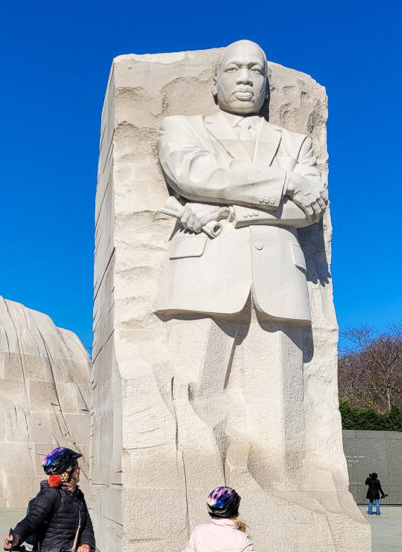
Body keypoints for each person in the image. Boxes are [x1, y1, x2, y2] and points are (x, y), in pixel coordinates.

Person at [155, 39, 329, 492]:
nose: (246, 78)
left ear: (269, 85)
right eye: (235, 69)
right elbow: (194, 175)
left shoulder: (296, 142)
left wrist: (230, 210)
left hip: (279, 280)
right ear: (214, 84)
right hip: (203, 273)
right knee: (194, 392)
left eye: (256, 70)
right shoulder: (182, 128)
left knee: (281, 405)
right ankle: (192, 491)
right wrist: (284, 181)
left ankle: (284, 493)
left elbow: (310, 210)